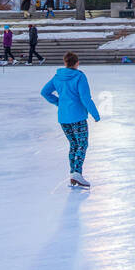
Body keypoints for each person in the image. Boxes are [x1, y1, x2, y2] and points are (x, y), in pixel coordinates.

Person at [41, 50, 100, 189]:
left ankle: (73, 174)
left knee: (73, 144)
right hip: (78, 116)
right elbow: (85, 98)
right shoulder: (79, 76)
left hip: (63, 117)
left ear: (65, 63)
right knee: (82, 144)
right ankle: (77, 173)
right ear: (77, 63)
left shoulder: (57, 76)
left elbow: (45, 92)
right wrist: (95, 114)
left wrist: (59, 103)